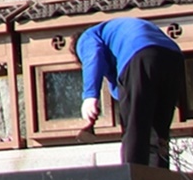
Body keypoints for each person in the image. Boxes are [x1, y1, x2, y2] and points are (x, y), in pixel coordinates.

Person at [74, 14, 184, 168]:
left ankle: (133, 178)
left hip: (139, 53)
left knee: (135, 126)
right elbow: (120, 84)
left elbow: (93, 57)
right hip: (173, 58)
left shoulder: (87, 37)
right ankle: (160, 179)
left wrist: (90, 96)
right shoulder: (116, 34)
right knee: (159, 131)